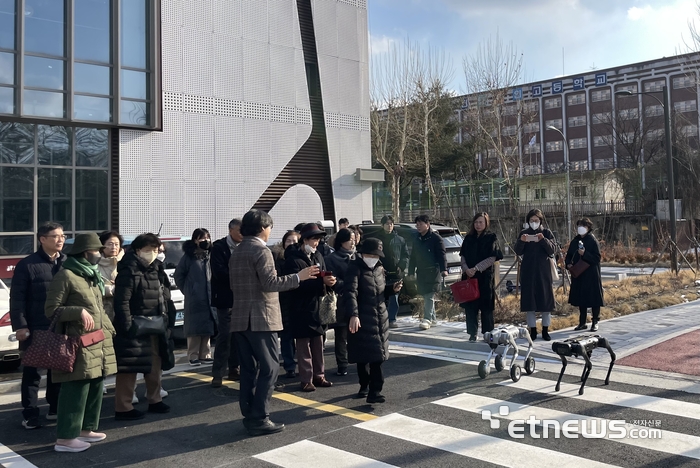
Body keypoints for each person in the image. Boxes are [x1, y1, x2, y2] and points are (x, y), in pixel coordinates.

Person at [229, 210, 319, 436]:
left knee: (249, 369)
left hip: (240, 317)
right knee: (269, 368)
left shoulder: (237, 251)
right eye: (269, 228)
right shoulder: (262, 250)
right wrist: (300, 276)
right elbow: (270, 283)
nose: (270, 232)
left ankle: (250, 413)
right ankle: (260, 416)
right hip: (262, 318)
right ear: (262, 228)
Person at [43, 232, 117, 453]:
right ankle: (65, 438)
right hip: (77, 342)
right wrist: (77, 311)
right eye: (97, 250)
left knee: (95, 384)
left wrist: (109, 330)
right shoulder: (66, 275)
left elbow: (99, 309)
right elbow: (51, 310)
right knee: (76, 387)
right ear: (86, 253)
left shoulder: (91, 275)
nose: (100, 253)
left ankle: (86, 429)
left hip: (97, 339)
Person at [10, 222, 65, 430]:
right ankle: (30, 413)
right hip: (35, 327)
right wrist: (21, 326)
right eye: (55, 236)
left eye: (62, 236)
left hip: (59, 326)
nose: (60, 240)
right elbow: (17, 298)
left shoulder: (66, 262)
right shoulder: (28, 264)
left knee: (58, 370)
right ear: (42, 239)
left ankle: (55, 408)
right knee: (33, 373)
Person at [112, 233, 174, 421]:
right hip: (134, 325)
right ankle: (123, 407)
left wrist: (167, 319)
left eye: (156, 250)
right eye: (148, 250)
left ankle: (154, 399)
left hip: (156, 324)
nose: (152, 253)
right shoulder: (128, 269)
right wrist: (127, 325)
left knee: (155, 364)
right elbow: (122, 301)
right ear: (138, 250)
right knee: (129, 366)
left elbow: (164, 295)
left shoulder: (157, 268)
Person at [346, 238, 402, 404]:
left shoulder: (379, 268)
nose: (374, 257)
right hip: (362, 318)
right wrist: (353, 315)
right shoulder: (354, 268)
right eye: (371, 254)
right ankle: (365, 385)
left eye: (376, 255)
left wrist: (392, 289)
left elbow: (380, 291)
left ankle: (375, 391)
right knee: (363, 356)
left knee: (378, 357)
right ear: (363, 254)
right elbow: (350, 293)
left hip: (379, 316)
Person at [283, 223, 337, 392]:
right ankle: (306, 379)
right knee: (303, 344)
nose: (316, 242)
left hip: (317, 305)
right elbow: (296, 284)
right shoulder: (292, 258)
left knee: (318, 342)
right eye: (314, 239)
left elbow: (324, 273)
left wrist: (329, 282)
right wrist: (321, 282)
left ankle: (319, 376)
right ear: (304, 239)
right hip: (300, 307)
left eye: (318, 239)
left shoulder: (318, 255)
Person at [174, 228, 217, 366]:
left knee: (207, 327)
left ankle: (205, 354)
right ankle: (193, 355)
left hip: (210, 296)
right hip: (195, 298)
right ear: (195, 240)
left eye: (207, 237)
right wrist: (188, 290)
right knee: (194, 328)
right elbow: (178, 275)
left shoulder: (211, 255)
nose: (206, 241)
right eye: (202, 238)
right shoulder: (188, 257)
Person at [459, 213, 503, 342]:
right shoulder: (468, 238)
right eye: (476, 222)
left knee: (486, 307)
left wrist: (476, 268)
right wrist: (466, 269)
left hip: (484, 278)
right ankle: (472, 333)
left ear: (486, 223)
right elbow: (463, 256)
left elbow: (492, 257)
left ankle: (487, 333)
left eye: (481, 222)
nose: (478, 225)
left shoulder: (491, 237)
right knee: (471, 307)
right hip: (469, 278)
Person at [514, 209, 556, 341]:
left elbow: (553, 250)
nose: (534, 223)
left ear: (541, 221)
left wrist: (543, 240)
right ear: (528, 221)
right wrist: (522, 241)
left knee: (545, 303)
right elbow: (517, 251)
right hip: (528, 272)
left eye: (536, 220)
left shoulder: (546, 233)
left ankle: (545, 330)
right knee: (529, 304)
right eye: (531, 220)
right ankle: (532, 330)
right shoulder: (524, 233)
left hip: (543, 273)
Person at [210, 219, 243, 388]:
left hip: (242, 297)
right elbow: (219, 272)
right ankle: (218, 373)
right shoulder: (219, 247)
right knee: (225, 335)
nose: (242, 234)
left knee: (238, 334)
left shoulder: (245, 246)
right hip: (224, 298)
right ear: (230, 230)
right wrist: (240, 275)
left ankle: (234, 368)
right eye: (239, 231)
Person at [324, 228, 356, 376]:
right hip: (341, 301)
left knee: (357, 333)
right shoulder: (332, 259)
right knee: (341, 335)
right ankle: (342, 364)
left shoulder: (357, 257)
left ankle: (359, 361)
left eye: (355, 239)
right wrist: (351, 285)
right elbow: (333, 281)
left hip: (357, 300)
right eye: (351, 239)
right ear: (342, 241)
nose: (353, 242)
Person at [407, 215, 447, 330]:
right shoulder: (417, 239)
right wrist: (411, 271)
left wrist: (444, 269)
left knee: (429, 295)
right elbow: (413, 257)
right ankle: (433, 319)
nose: (418, 226)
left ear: (427, 224)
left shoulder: (436, 238)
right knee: (425, 295)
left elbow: (442, 255)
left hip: (433, 271)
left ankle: (427, 319)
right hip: (421, 272)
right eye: (417, 224)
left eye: (420, 224)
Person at [369, 215, 409, 329]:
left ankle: (392, 319)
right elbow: (373, 256)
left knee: (394, 297)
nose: (389, 226)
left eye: (391, 224)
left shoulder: (400, 239)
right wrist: (379, 267)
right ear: (382, 225)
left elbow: (405, 255)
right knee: (381, 296)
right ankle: (381, 318)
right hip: (381, 273)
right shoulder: (377, 239)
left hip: (396, 273)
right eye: (387, 224)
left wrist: (401, 266)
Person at [271, 230, 301, 378]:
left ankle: (303, 364)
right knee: (287, 335)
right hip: (284, 301)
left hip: (300, 300)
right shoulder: (278, 259)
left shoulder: (303, 258)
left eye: (295, 241)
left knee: (302, 336)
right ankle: (289, 365)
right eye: (289, 241)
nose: (292, 244)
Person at [566, 218, 605, 332]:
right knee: (581, 298)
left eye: (584, 226)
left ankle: (595, 321)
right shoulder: (575, 241)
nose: (581, 229)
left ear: (588, 228)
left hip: (591, 273)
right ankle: (582, 322)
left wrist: (585, 254)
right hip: (579, 274)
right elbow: (569, 256)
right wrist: (568, 264)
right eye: (579, 226)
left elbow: (597, 258)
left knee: (594, 298)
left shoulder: (592, 241)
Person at [97, 231, 124, 322]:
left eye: (117, 244)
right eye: (110, 244)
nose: (114, 247)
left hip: (123, 310)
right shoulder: (94, 264)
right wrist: (110, 289)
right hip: (101, 310)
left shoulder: (126, 262)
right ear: (102, 246)